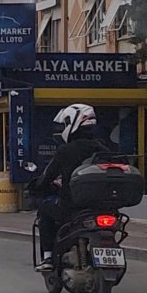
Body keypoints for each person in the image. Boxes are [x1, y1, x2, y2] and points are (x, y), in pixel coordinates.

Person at [32, 104, 108, 272]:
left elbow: (48, 176)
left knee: (44, 210)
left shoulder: (66, 150)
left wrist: (37, 186)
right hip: (102, 208)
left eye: (64, 124)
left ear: (72, 123)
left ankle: (48, 257)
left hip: (72, 208)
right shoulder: (103, 148)